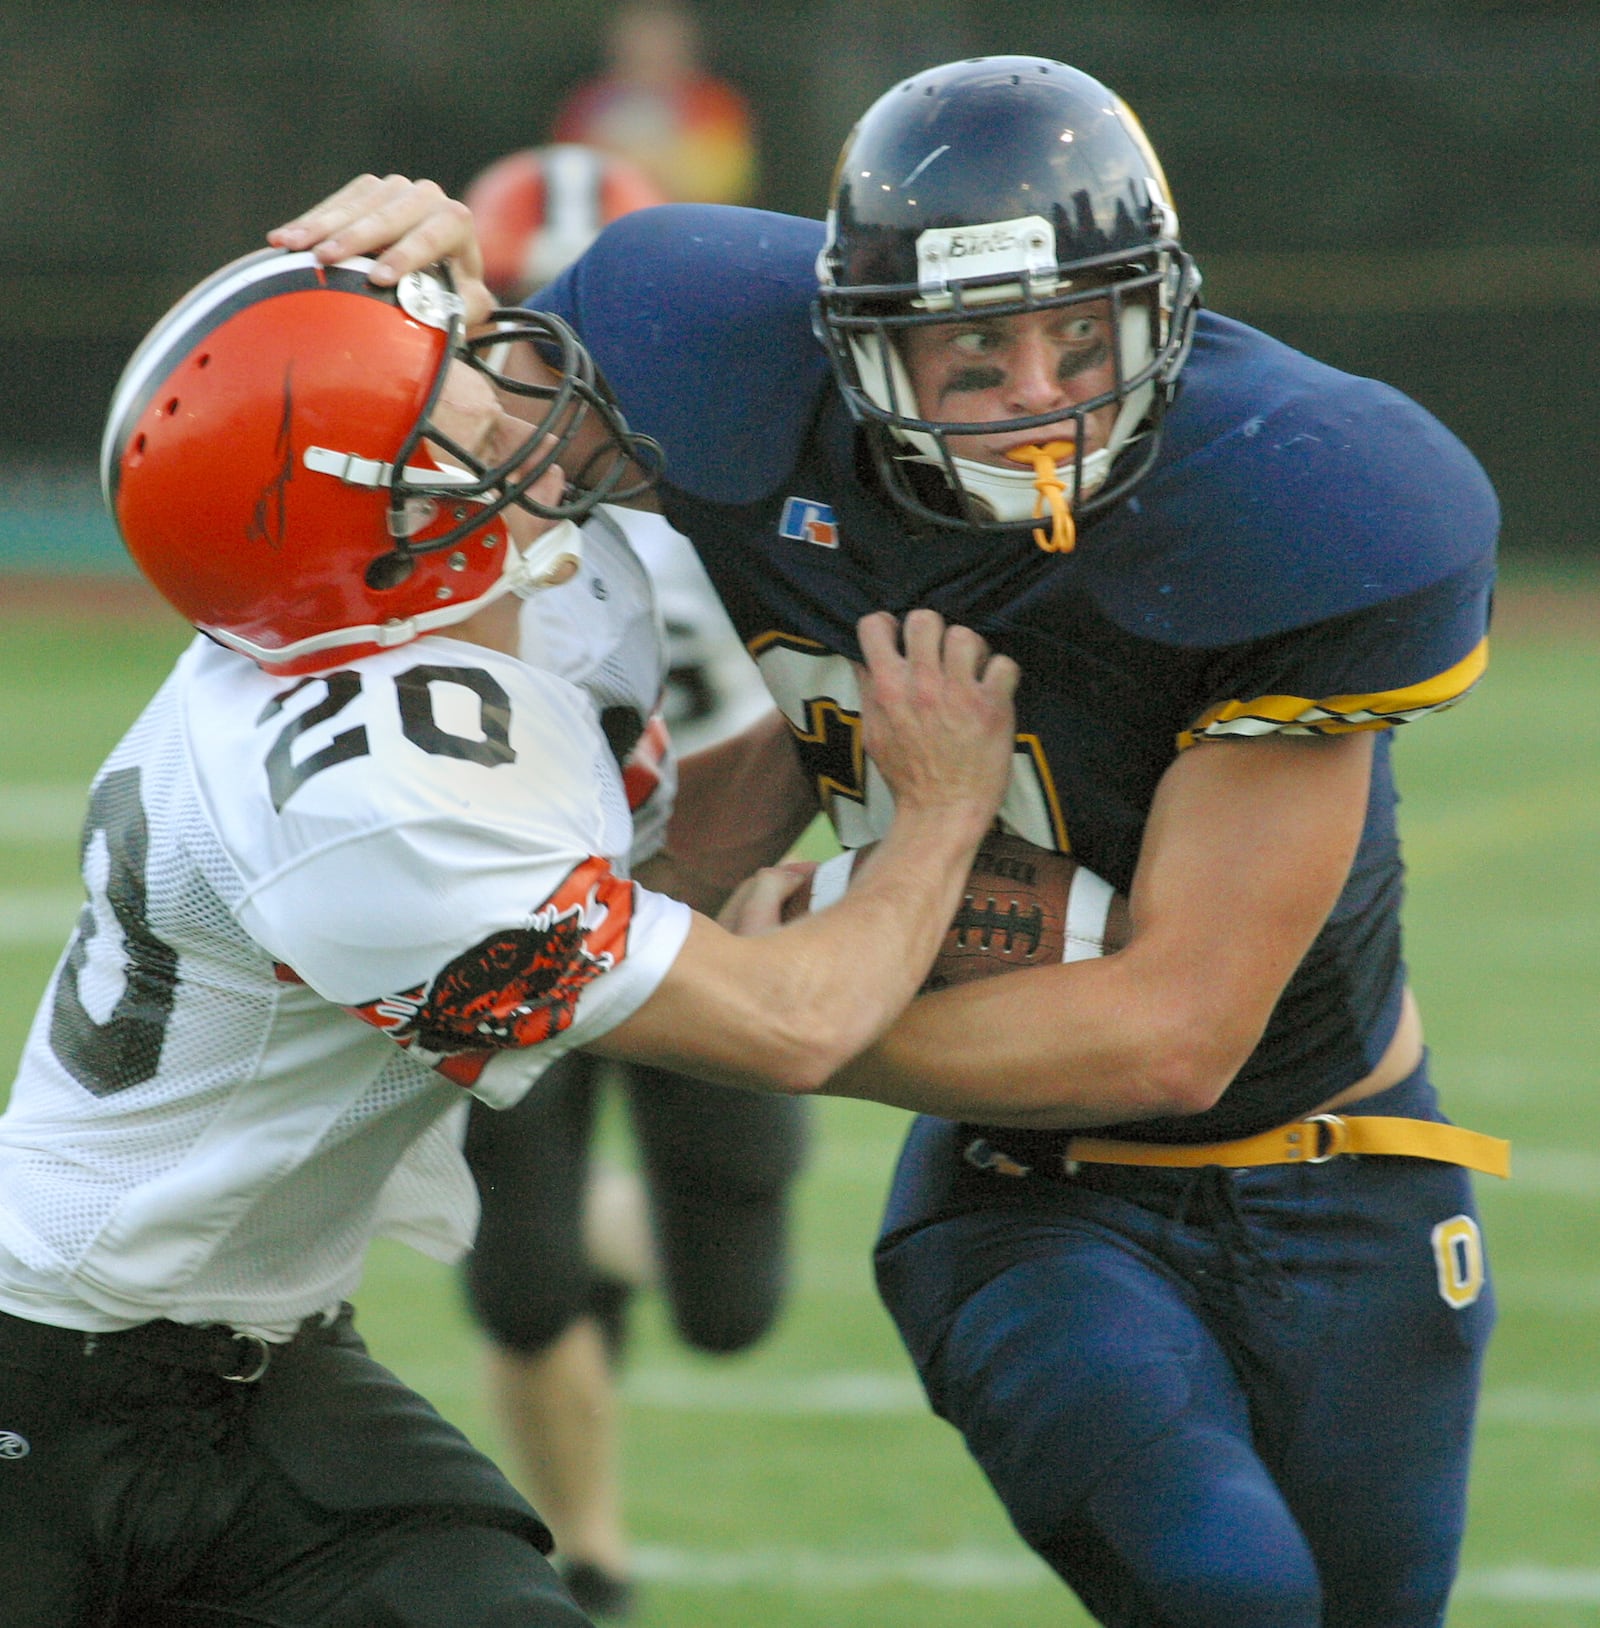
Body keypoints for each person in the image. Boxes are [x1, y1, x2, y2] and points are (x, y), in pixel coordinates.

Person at [275, 51, 1509, 1628]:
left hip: (1351, 1177)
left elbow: (1178, 1033)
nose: (1041, 404)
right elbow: (446, 483)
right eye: (975, 358)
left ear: (1164, 317)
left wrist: (753, 1003)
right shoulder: (699, 350)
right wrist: (404, 315)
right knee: (1228, 1590)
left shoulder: (1303, 501)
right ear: (855, 352)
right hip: (1034, 1198)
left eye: (1086, 340)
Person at [0, 235, 1021, 1627]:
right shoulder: (376, 807)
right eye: (462, 431)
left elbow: (677, 869)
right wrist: (944, 808)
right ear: (377, 530)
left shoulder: (407, 625)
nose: (524, 438)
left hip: (266, 1360)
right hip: (48, 1391)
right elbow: (796, 1021)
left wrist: (835, 687)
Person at [456, 141, 807, 1617]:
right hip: (509, 900)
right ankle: (586, 1553)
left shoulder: (745, 484)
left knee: (732, 1311)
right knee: (524, 1286)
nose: (562, 408)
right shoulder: (435, 494)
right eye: (534, 349)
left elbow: (799, 720)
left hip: (698, 900)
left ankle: (621, 1220)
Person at [549, 0, 758, 206]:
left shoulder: (713, 103)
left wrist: (655, 166)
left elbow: (727, 182)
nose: (650, 49)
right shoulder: (590, 103)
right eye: (641, 38)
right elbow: (566, 177)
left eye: (661, 39)